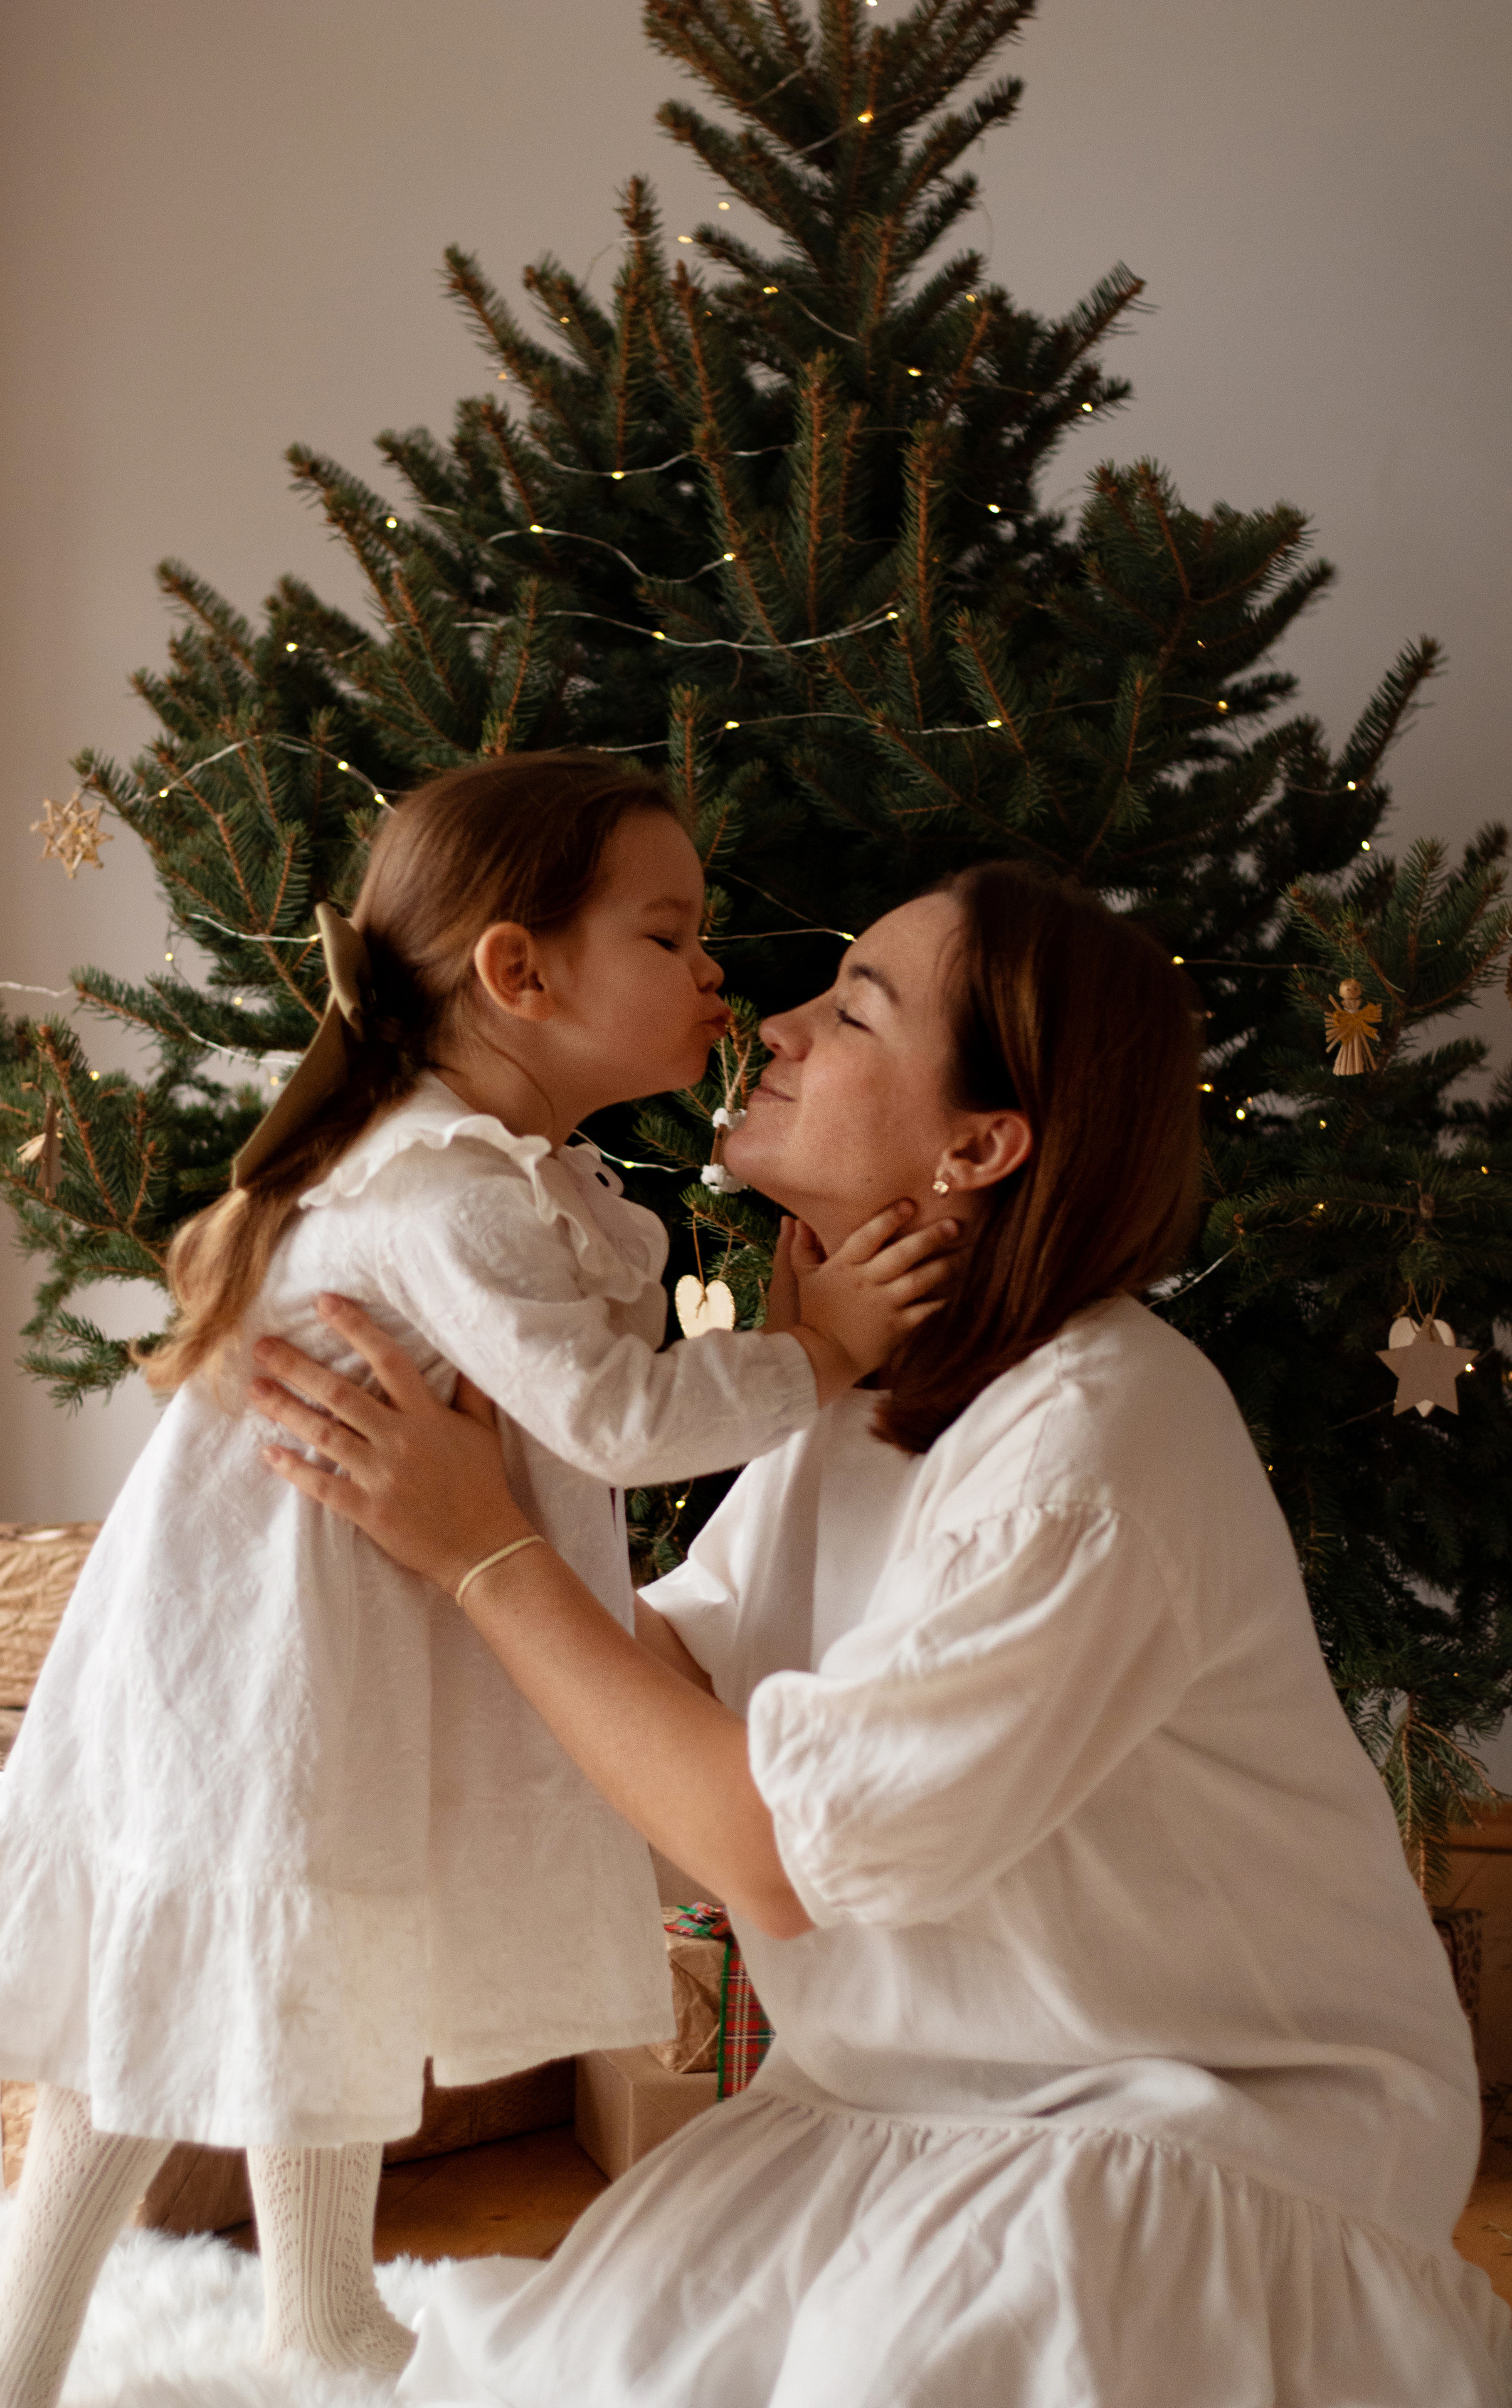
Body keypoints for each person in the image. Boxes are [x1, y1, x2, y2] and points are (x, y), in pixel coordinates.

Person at [252, 862, 1512, 2408]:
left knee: (899, 2373)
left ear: (978, 1145)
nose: (772, 1024)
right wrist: (452, 1500)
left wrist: (488, 1558)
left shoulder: (1093, 1438)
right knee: (566, 2376)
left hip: (1185, 2120)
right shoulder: (856, 1400)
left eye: (852, 1010)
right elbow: (670, 1697)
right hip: (880, 2104)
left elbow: (769, 1848)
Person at [0, 752, 953, 2408]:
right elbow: (611, 1421)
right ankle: (11, 2357)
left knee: (318, 1953)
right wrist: (813, 1355)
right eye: (669, 936)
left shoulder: (486, 1172)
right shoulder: (443, 1190)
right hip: (254, 1660)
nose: (717, 975)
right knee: (175, 1989)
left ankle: (319, 2311)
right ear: (519, 973)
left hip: (327, 1644)